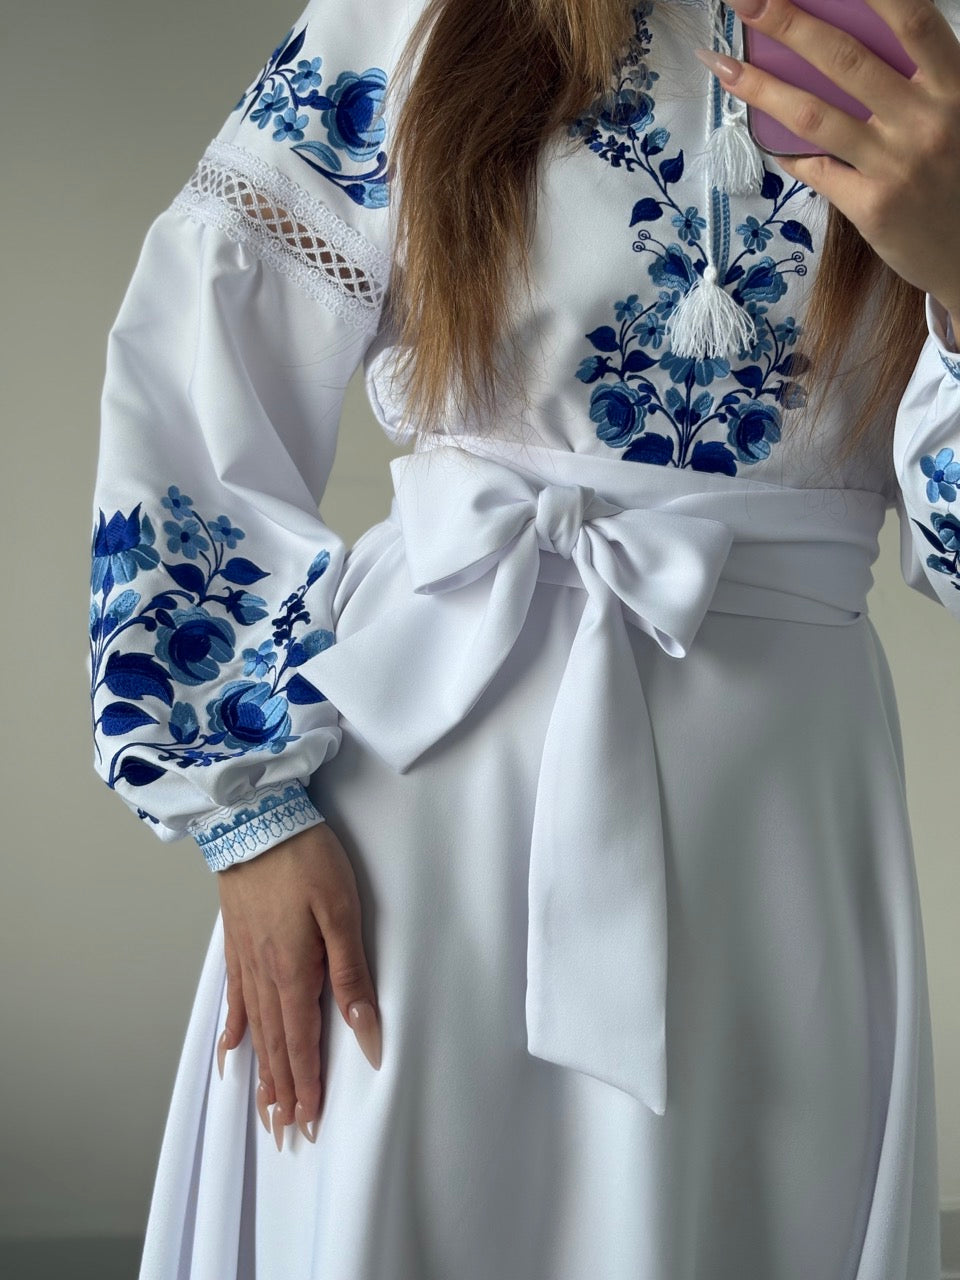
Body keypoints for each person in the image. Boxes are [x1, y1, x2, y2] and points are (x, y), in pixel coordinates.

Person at [86, 0, 960, 1274]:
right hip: (422, 801)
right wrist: (243, 808)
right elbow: (200, 349)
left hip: (776, 829)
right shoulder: (416, 15)